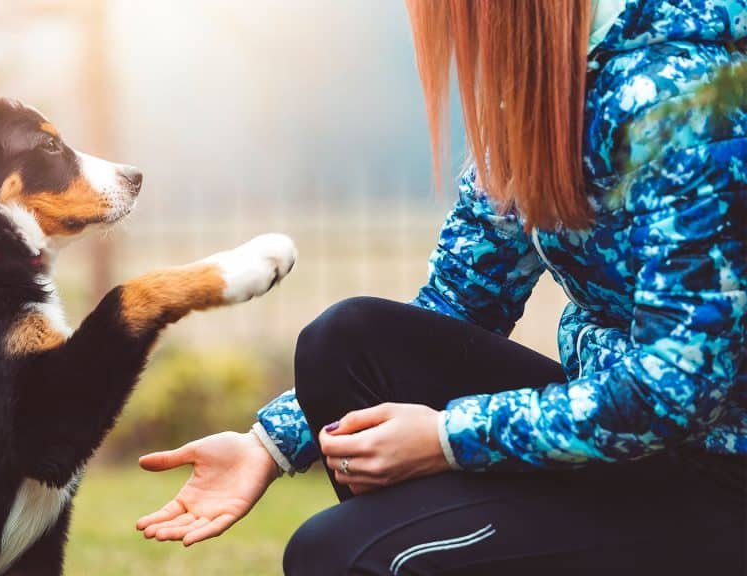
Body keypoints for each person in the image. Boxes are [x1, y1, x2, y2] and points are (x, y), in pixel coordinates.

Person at [135, 1, 746, 574]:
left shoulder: (683, 98)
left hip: (719, 477)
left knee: (334, 554)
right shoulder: (553, 87)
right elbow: (459, 303)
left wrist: (447, 437)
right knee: (345, 341)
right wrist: (268, 446)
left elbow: (677, 387)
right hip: (627, 450)